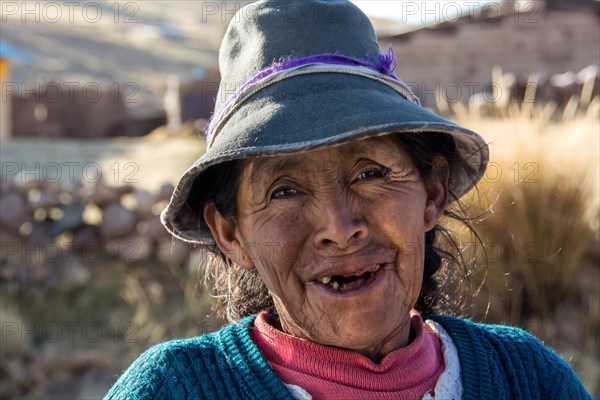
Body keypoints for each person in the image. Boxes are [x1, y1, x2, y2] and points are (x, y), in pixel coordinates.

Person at [105, 1, 592, 399]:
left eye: (371, 173)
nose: (339, 227)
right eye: (285, 190)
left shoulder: (527, 379)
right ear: (231, 234)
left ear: (432, 192)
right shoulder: (171, 389)